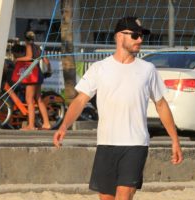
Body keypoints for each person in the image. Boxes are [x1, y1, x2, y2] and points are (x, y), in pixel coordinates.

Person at [53, 16, 183, 200]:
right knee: (107, 198)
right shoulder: (99, 68)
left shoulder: (148, 70)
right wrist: (63, 126)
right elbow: (80, 100)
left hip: (135, 144)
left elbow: (161, 105)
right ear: (120, 36)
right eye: (135, 36)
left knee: (124, 196)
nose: (140, 40)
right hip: (106, 143)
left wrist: (175, 140)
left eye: (141, 36)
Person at [15, 31, 51, 130]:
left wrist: (18, 59)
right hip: (39, 74)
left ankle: (31, 125)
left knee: (29, 100)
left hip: (32, 74)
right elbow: (47, 61)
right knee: (39, 99)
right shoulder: (38, 47)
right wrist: (49, 70)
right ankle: (46, 123)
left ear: (25, 39)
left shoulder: (29, 46)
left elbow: (29, 57)